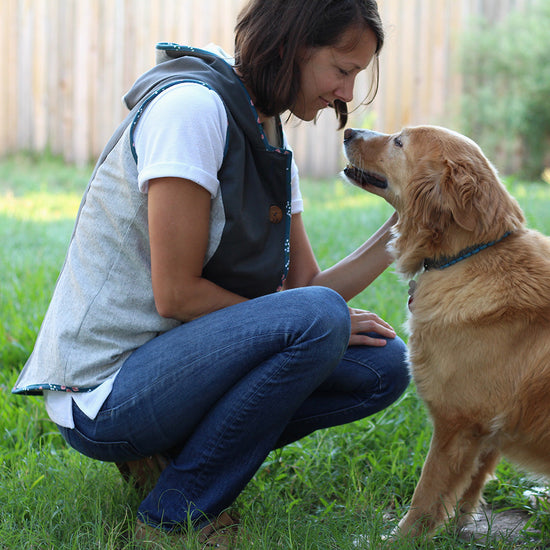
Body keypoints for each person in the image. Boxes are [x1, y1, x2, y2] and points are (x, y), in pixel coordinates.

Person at [13, 0, 409, 546]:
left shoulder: (267, 132)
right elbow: (175, 294)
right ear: (288, 47)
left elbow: (304, 290)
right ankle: (175, 517)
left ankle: (171, 459)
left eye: (356, 76)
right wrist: (311, 319)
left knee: (383, 366)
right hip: (105, 389)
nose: (346, 93)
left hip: (179, 365)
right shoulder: (192, 109)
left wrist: (410, 225)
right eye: (342, 70)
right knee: (321, 318)